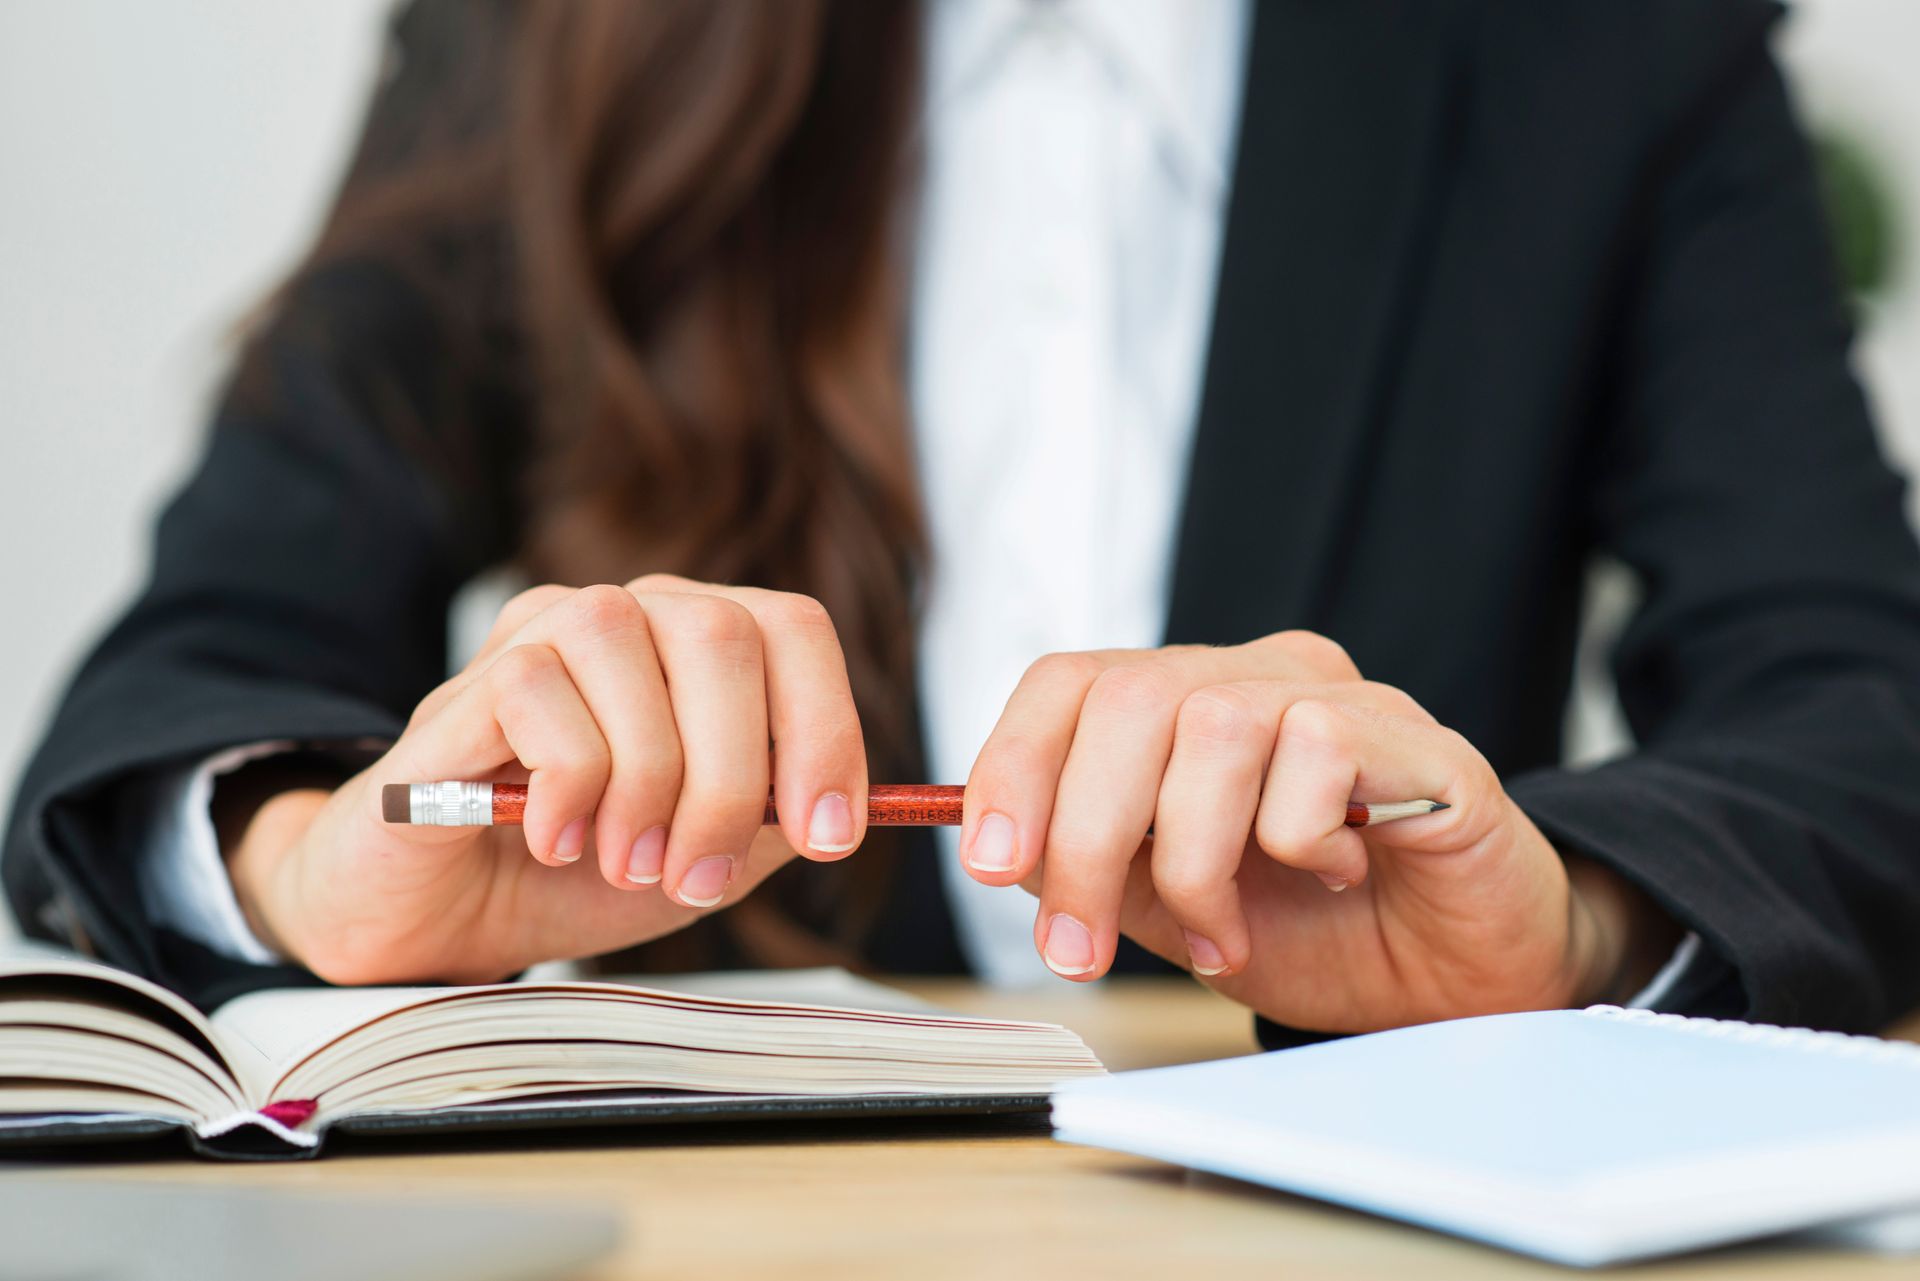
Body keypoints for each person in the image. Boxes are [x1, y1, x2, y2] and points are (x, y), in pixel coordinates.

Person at [9, 0, 1920, 1045]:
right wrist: (317, 867)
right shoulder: (537, 35)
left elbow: (1861, 704)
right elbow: (188, 676)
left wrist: (1565, 930)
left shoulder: (1615, 50)